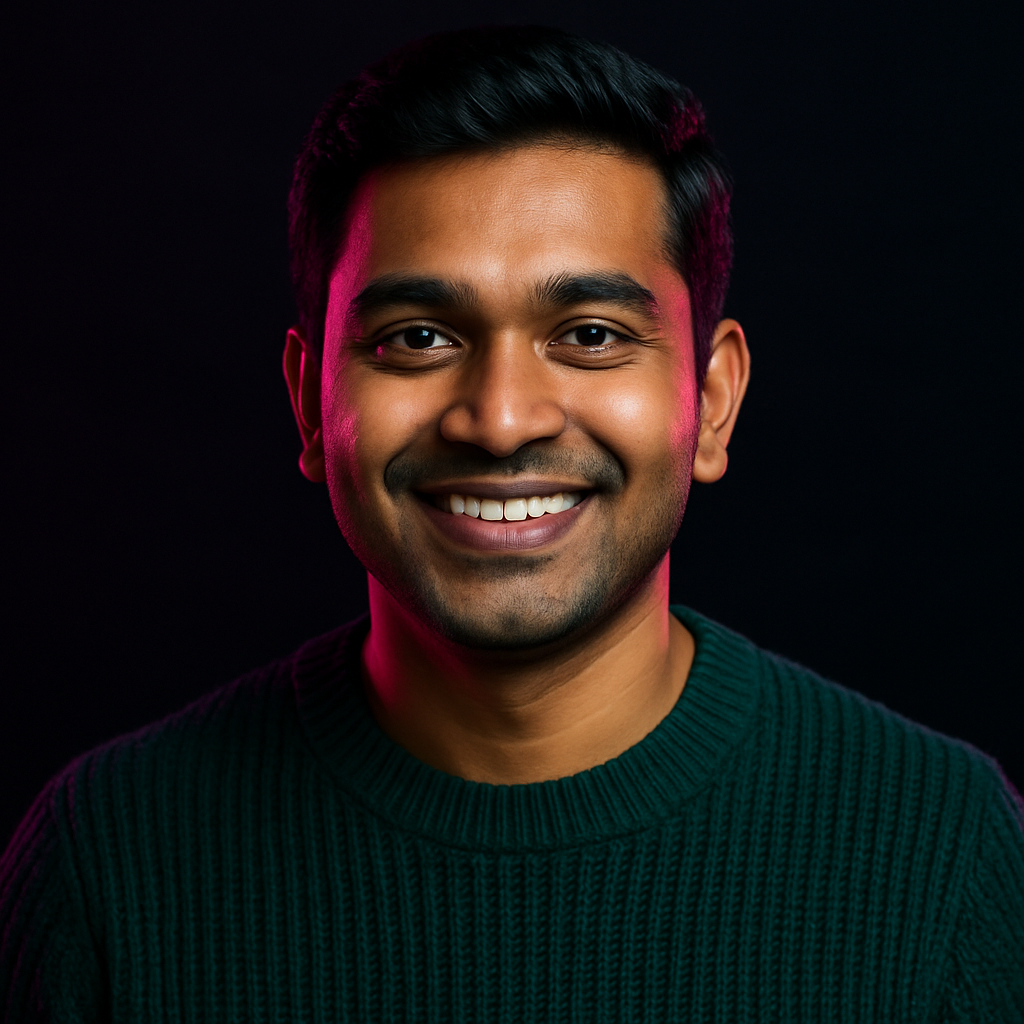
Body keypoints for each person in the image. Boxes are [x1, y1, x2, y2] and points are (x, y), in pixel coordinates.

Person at [2, 24, 1021, 1022]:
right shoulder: (108, 861)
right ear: (310, 404)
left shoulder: (943, 850)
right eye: (417, 336)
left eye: (588, 334)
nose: (498, 419)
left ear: (709, 402)